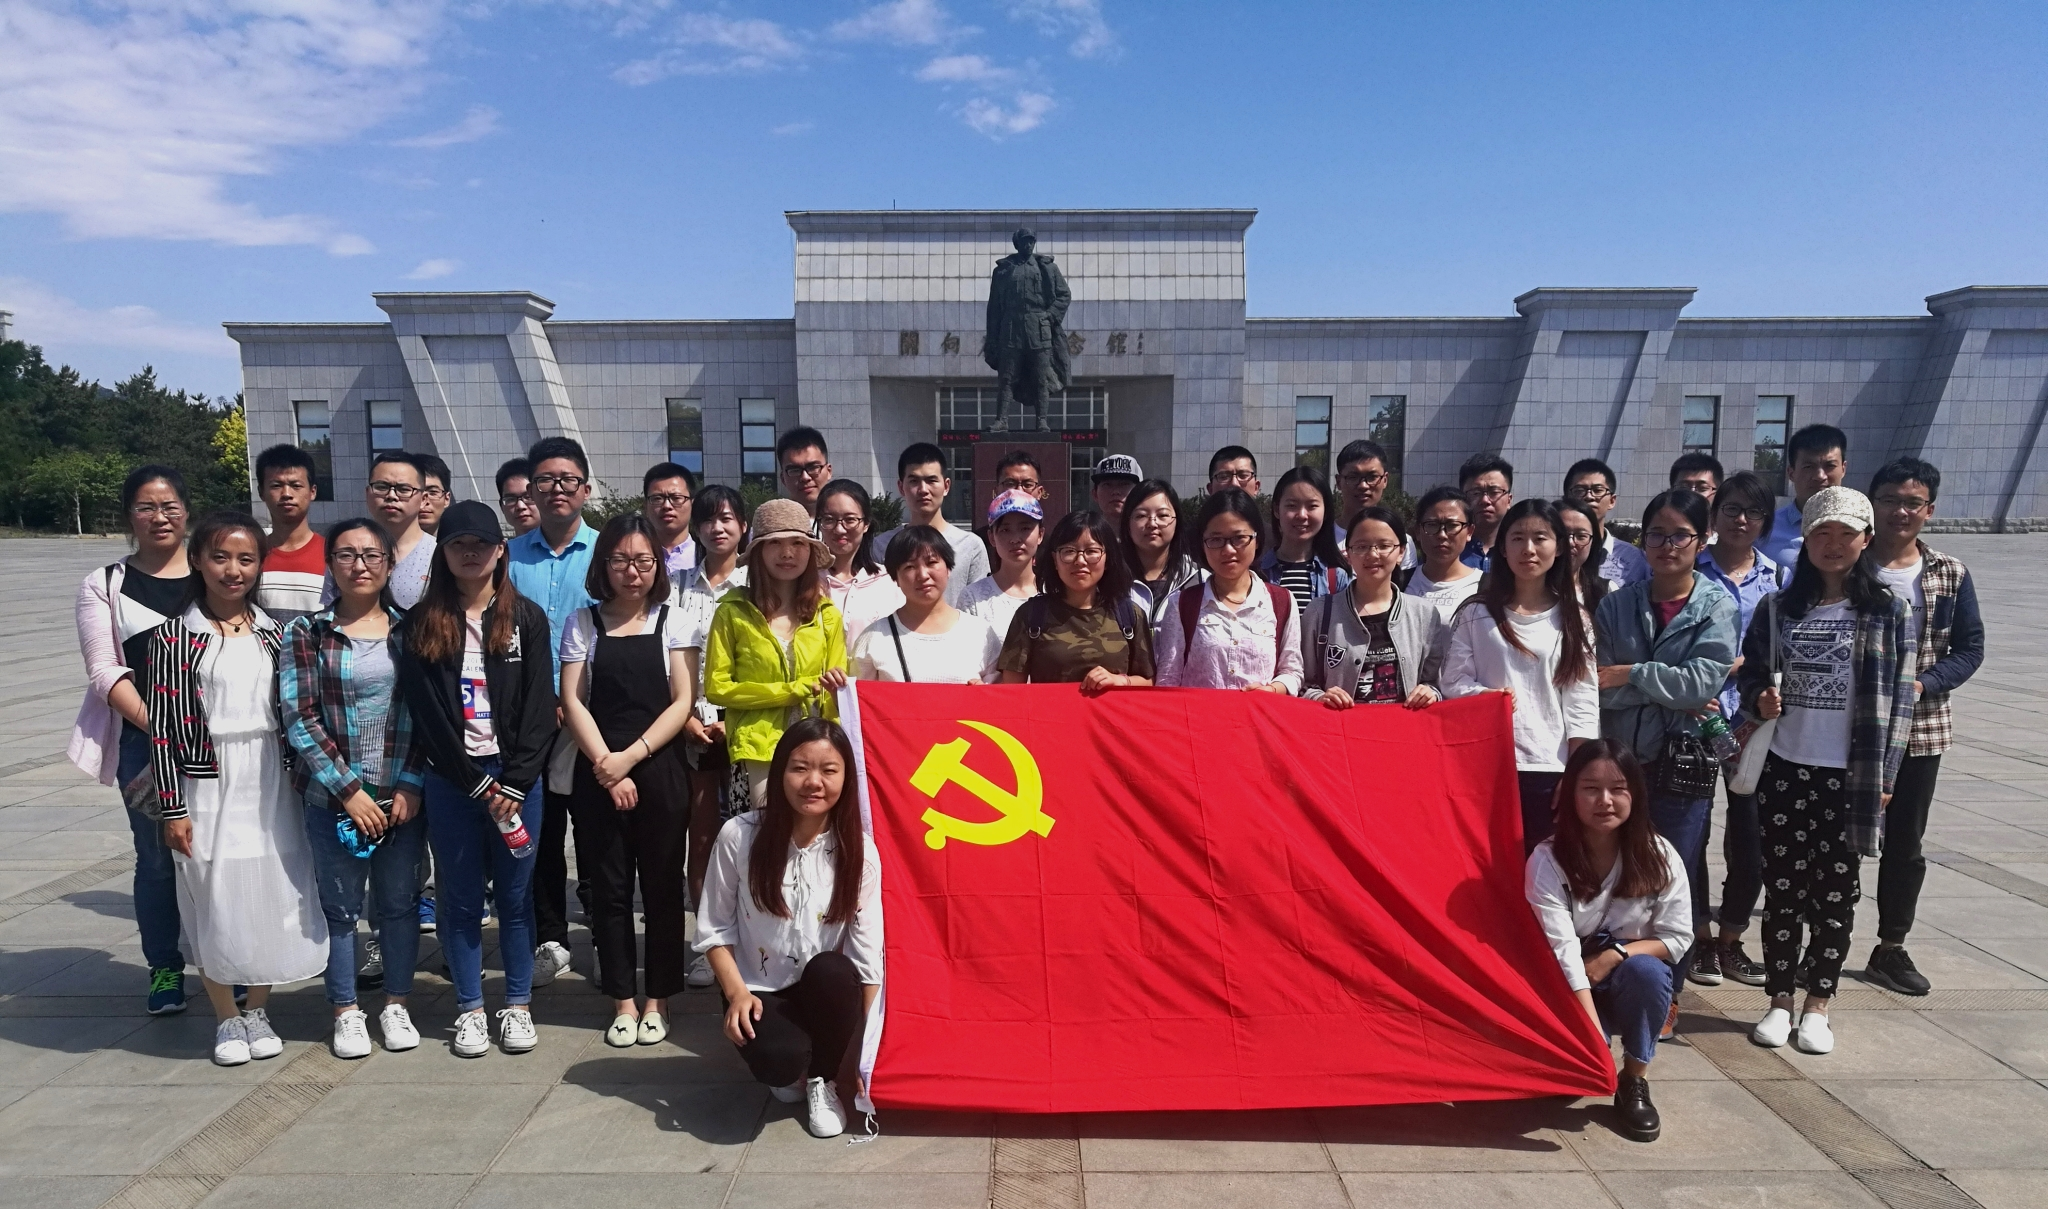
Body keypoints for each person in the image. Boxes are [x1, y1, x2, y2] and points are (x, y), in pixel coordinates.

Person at [146, 512, 328, 1065]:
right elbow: (163, 729)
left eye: (246, 559)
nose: (234, 570)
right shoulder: (173, 637)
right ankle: (226, 1016)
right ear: (198, 560)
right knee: (213, 895)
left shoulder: (278, 633)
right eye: (221, 557)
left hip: (269, 777)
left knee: (268, 890)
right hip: (206, 778)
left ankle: (257, 1009)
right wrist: (172, 807)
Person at [1740, 487, 1916, 1056]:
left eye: (1846, 534)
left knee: (1836, 894)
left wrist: (1887, 777)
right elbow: (1750, 676)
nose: (1833, 544)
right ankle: (1778, 1000)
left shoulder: (1888, 611)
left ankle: (1818, 1004)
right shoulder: (1778, 609)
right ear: (1806, 539)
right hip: (1786, 768)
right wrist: (1759, 696)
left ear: (1866, 540)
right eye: (1822, 533)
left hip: (1851, 774)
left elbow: (1902, 701)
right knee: (1783, 890)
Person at [396, 501, 558, 1058]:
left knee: (515, 898)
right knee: (461, 900)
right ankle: (469, 1008)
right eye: (458, 544)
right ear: (442, 553)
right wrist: (472, 782)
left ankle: (517, 1005)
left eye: (481, 544)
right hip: (453, 782)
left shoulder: (525, 618)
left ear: (500, 550)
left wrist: (515, 782)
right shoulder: (421, 623)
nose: (470, 553)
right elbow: (429, 717)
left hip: (515, 783)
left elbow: (539, 709)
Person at [280, 518, 427, 1058]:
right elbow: (299, 716)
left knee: (399, 904)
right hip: (332, 798)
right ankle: (345, 1010)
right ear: (331, 564)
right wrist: (349, 791)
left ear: (389, 564)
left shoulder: (412, 630)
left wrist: (410, 783)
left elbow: (428, 714)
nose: (359, 565)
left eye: (371, 555)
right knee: (340, 908)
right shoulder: (308, 632)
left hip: (400, 797)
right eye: (346, 554)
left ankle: (396, 1004)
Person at [697, 718, 881, 1140]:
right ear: (780, 771)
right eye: (800, 768)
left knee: (835, 970)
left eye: (829, 770)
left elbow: (868, 954)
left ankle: (822, 1078)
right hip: (758, 987)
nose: (814, 782)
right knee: (778, 1063)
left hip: (825, 988)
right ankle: (794, 1063)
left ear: (846, 779)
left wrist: (863, 1057)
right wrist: (736, 994)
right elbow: (714, 929)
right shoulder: (739, 836)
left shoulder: (859, 851)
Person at [1593, 489, 1736, 1030]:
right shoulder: (1616, 604)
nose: (1667, 545)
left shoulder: (1716, 606)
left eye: (1680, 535)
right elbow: (1597, 686)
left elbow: (1703, 683)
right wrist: (1669, 690)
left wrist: (1633, 674)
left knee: (1673, 873)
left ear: (1702, 541)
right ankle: (1613, 977)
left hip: (1683, 764)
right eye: (1656, 534)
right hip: (1624, 761)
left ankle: (1668, 989)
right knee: (1617, 870)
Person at [559, 514, 698, 1048]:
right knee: (609, 889)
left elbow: (682, 700)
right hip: (598, 767)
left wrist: (632, 757)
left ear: (658, 565)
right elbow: (574, 700)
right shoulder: (583, 623)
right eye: (620, 560)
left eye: (643, 560)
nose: (632, 571)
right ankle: (622, 1000)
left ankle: (658, 999)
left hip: (660, 767)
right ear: (604, 565)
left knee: (662, 887)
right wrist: (606, 764)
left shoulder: (675, 621)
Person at [68, 465, 194, 1015]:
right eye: (146, 507)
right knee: (158, 855)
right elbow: (104, 671)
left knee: (222, 850)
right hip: (144, 746)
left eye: (169, 505)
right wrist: (161, 727)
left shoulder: (214, 571)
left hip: (222, 739)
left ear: (186, 510)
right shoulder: (105, 584)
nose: (159, 516)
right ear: (129, 516)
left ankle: (227, 961)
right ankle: (165, 967)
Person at [1524, 741, 1692, 1144]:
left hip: (1625, 979)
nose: (1605, 801)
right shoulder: (1547, 860)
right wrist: (1590, 1039)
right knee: (1571, 1078)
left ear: (1636, 793)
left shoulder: (1660, 854)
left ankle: (1634, 1079)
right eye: (1590, 789)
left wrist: (1615, 955)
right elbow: (1563, 952)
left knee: (1647, 971)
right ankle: (1585, 1050)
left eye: (1618, 789)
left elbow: (1677, 936)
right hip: (1566, 982)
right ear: (1569, 794)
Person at [1863, 458, 1984, 996]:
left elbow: (1970, 648)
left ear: (1929, 510)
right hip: (1849, 729)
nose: (1900, 511)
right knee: (1835, 841)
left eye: (1913, 503)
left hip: (1920, 730)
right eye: (1890, 500)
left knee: (1905, 844)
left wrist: (1923, 684)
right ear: (1873, 503)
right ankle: (1823, 943)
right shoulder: (1849, 563)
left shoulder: (1949, 573)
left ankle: (1890, 946)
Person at [1441, 499, 1599, 852]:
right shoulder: (1475, 613)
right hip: (1486, 766)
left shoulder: (1576, 620)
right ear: (1503, 547)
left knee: (1541, 868)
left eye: (1540, 538)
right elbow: (1451, 682)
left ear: (1558, 547)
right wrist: (1487, 698)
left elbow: (1582, 703)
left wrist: (1577, 772)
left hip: (1549, 767)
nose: (1528, 549)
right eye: (1517, 538)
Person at [506, 435, 599, 989]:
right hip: (528, 718)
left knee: (595, 829)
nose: (557, 489)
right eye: (546, 480)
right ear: (531, 490)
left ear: (585, 488)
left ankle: (603, 932)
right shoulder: (509, 557)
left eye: (568, 480)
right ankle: (550, 938)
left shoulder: (608, 551)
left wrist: (575, 700)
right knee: (538, 831)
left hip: (594, 716)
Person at [703, 498, 849, 813]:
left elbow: (836, 695)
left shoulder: (827, 615)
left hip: (816, 747)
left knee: (814, 833)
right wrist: (788, 692)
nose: (787, 553)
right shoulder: (732, 611)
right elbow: (716, 687)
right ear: (758, 552)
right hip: (756, 747)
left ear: (810, 551)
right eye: (775, 543)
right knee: (765, 832)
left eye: (798, 543)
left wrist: (838, 696)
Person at [1692, 471, 1780, 987]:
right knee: (1693, 831)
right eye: (1731, 508)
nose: (1741, 519)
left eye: (1753, 511)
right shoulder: (1691, 569)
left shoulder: (1779, 579)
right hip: (1697, 718)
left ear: (1765, 521)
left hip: (1754, 724)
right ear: (1714, 514)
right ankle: (1700, 939)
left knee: (1751, 839)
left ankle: (1731, 937)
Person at [674, 485, 749, 971]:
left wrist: (730, 718)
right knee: (701, 836)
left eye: (727, 518)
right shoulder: (676, 584)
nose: (717, 528)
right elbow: (665, 654)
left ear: (743, 525)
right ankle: (707, 947)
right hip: (690, 722)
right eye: (707, 519)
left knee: (748, 832)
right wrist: (684, 716)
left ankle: (751, 939)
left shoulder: (757, 582)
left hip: (746, 721)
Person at [1155, 489, 1303, 694]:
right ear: (1202, 544)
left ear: (1257, 539)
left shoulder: (1281, 601)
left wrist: (1272, 690)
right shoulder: (1181, 604)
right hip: (1199, 715)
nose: (1228, 550)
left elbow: (1292, 671)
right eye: (1216, 540)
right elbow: (1167, 680)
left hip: (1258, 713)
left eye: (1239, 538)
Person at [996, 509, 1155, 692]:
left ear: (1108, 558)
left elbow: (1149, 681)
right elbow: (1011, 692)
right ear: (1055, 559)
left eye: (1092, 551)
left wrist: (1121, 681)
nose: (1080, 561)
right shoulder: (1030, 615)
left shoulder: (1130, 615)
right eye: (1069, 551)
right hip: (1051, 711)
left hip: (1111, 712)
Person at [1303, 506, 1445, 709]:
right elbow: (1303, 684)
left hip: (1403, 728)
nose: (1372, 554)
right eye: (1361, 547)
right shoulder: (1319, 612)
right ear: (1348, 553)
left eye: (1384, 545)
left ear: (1401, 552)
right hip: (1341, 727)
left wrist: (1430, 693)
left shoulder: (1424, 614)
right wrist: (1319, 697)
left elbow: (1437, 684)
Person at [852, 527, 1002, 683]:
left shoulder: (980, 633)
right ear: (895, 577)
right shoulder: (874, 638)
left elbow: (1000, 693)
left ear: (948, 568)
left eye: (931, 563)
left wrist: (983, 691)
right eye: (910, 567)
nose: (923, 575)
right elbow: (857, 695)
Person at [868, 444, 989, 605]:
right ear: (901, 487)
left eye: (931, 480)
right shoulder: (881, 546)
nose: (923, 490)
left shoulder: (970, 546)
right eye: (914, 481)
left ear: (946, 486)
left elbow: (978, 605)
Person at [958, 489, 1045, 670]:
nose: (1015, 539)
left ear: (1041, 534)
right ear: (992, 537)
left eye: (1025, 528)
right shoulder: (973, 598)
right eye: (1005, 530)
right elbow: (965, 661)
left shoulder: (1054, 591)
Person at [817, 479, 904, 644]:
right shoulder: (805, 580)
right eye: (829, 519)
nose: (839, 529)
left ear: (866, 524)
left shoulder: (889, 582)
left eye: (850, 519)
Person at [1257, 465, 1349, 616]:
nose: (1302, 515)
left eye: (1312, 506)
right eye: (1292, 506)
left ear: (1325, 511)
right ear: (1276, 510)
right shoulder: (1257, 573)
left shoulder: (1338, 578)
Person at [1757, 424, 1849, 569]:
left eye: (1830, 466)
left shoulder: (1861, 528)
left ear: (1843, 469)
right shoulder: (1765, 530)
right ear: (1791, 473)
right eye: (1808, 467)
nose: (1820, 476)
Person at [253, 444, 325, 624]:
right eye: (276, 485)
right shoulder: (250, 556)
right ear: (261, 492)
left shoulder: (334, 555)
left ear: (312, 491)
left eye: (296, 485)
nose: (286, 494)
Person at [1121, 478, 1202, 628]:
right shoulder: (1109, 579)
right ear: (1127, 523)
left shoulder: (1199, 580)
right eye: (1141, 516)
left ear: (1177, 521)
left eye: (1162, 515)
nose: (1152, 523)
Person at [361, 451, 437, 608]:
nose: (391, 495)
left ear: (423, 499)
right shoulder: (345, 553)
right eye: (381, 487)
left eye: (403, 489)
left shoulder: (440, 554)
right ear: (367, 493)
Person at [1566, 457, 1651, 587]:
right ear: (1566, 498)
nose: (1589, 496)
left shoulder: (1635, 559)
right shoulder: (1553, 552)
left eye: (1597, 490)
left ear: (1612, 501)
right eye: (1579, 491)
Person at [1404, 486, 1484, 623]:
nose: (1442, 535)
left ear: (1469, 531)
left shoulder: (1485, 586)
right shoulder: (1399, 582)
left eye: (1452, 525)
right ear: (1418, 531)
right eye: (1432, 524)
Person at [1558, 498, 1620, 610]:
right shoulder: (1528, 592)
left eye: (1581, 536)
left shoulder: (1607, 592)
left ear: (1593, 542)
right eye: (1563, 534)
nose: (1570, 542)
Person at [643, 461, 698, 580]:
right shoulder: (633, 557)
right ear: (645, 505)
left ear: (692, 504)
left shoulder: (706, 557)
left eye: (676, 498)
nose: (667, 506)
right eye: (657, 498)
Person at [1458, 453, 1515, 569]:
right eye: (1476, 493)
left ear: (1509, 500)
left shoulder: (1520, 549)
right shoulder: (1447, 549)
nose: (1485, 500)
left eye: (1494, 492)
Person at [776, 426, 834, 516]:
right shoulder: (773, 523)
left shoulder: (849, 521)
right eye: (795, 470)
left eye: (813, 467)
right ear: (783, 478)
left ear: (828, 471)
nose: (805, 477)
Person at [1090, 454, 1144, 525]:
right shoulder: (1083, 531)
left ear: (1141, 493)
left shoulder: (1152, 530)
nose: (1115, 492)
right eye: (1107, 485)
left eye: (1124, 484)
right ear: (1095, 494)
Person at [496, 458, 539, 536]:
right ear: (501, 506)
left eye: (528, 497)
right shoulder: (504, 544)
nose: (520, 506)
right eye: (511, 499)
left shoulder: (561, 543)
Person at [416, 453, 453, 535]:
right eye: (418, 492)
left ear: (446, 499)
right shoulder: (387, 542)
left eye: (432, 492)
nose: (424, 502)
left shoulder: (460, 542)